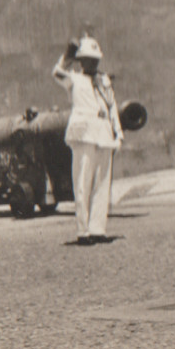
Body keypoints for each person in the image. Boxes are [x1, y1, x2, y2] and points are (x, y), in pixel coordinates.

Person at [51, 34, 123, 245]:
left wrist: (118, 132)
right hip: (83, 134)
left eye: (95, 59)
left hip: (103, 133)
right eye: (87, 59)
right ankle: (83, 231)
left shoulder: (104, 81)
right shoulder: (73, 79)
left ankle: (98, 228)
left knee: (102, 184)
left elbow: (112, 107)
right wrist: (66, 55)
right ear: (80, 60)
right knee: (83, 182)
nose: (92, 62)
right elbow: (57, 73)